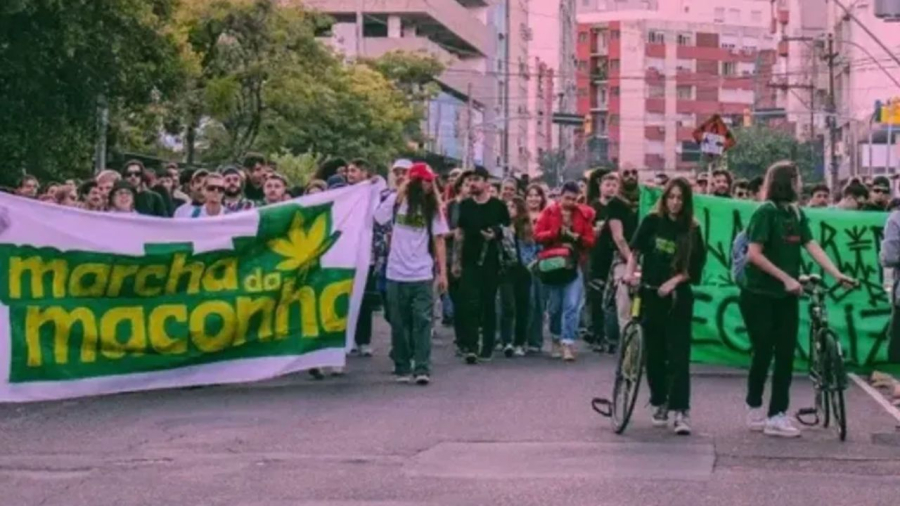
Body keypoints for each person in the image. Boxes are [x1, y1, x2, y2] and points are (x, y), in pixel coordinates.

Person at [739, 161, 854, 438]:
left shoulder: (796, 213)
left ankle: (777, 414)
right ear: (786, 182)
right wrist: (786, 279)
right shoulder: (766, 212)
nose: (801, 184)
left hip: (785, 296)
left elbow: (812, 245)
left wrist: (837, 274)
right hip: (758, 294)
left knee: (785, 354)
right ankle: (754, 405)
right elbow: (754, 254)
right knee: (763, 351)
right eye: (797, 179)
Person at [624, 177, 707, 435]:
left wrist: (673, 282)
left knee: (679, 356)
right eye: (671, 197)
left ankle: (681, 410)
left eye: (680, 198)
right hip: (650, 294)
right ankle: (659, 401)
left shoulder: (692, 229)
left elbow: (693, 269)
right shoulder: (652, 221)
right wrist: (629, 273)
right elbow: (635, 252)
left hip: (677, 298)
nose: (675, 202)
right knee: (654, 354)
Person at [375, 163, 449, 385]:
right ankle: (402, 365)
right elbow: (378, 218)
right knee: (399, 323)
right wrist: (395, 194)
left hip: (422, 273)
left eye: (430, 181)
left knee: (423, 321)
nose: (429, 185)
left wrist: (443, 273)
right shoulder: (396, 202)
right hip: (396, 273)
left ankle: (422, 367)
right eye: (424, 181)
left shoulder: (432, 208)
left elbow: (439, 240)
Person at [452, 167, 510, 364]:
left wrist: (496, 233)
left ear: (486, 182)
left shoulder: (498, 206)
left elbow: (508, 230)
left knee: (488, 303)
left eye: (476, 179)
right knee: (469, 302)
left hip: (491, 262)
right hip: (469, 261)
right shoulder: (466, 205)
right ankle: (471, 347)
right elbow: (460, 234)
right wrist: (456, 261)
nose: (472, 184)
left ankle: (487, 346)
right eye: (470, 180)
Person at [534, 181, 596, 362]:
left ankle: (567, 343)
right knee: (554, 307)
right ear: (560, 196)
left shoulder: (582, 214)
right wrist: (556, 233)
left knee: (571, 305)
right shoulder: (549, 212)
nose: (570, 202)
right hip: (553, 264)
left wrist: (577, 238)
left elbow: (591, 240)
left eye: (574, 199)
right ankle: (555, 338)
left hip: (573, 264)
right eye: (567, 198)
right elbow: (537, 235)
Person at [595, 167, 639, 356]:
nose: (631, 176)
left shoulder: (647, 200)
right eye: (626, 173)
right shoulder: (615, 204)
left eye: (634, 173)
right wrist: (632, 262)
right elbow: (619, 238)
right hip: (624, 259)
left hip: (648, 259)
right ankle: (628, 349)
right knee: (624, 301)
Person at [500, 197, 538, 357]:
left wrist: (532, 264)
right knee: (507, 305)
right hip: (506, 270)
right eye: (507, 206)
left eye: (512, 206)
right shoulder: (502, 228)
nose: (509, 209)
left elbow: (535, 248)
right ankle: (507, 340)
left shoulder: (527, 228)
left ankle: (519, 342)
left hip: (524, 270)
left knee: (523, 306)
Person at [588, 172, 621, 353]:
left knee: (614, 298)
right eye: (607, 185)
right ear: (600, 187)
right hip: (597, 256)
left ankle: (612, 337)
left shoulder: (620, 206)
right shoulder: (593, 207)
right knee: (596, 297)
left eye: (614, 185)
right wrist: (594, 231)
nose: (611, 188)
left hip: (615, 256)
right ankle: (597, 335)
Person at [524, 183, 548, 353]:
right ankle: (521, 338)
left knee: (539, 302)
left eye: (536, 195)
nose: (533, 198)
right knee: (526, 302)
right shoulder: (521, 217)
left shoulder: (547, 216)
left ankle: (536, 340)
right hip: (523, 264)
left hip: (541, 264)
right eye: (530, 195)